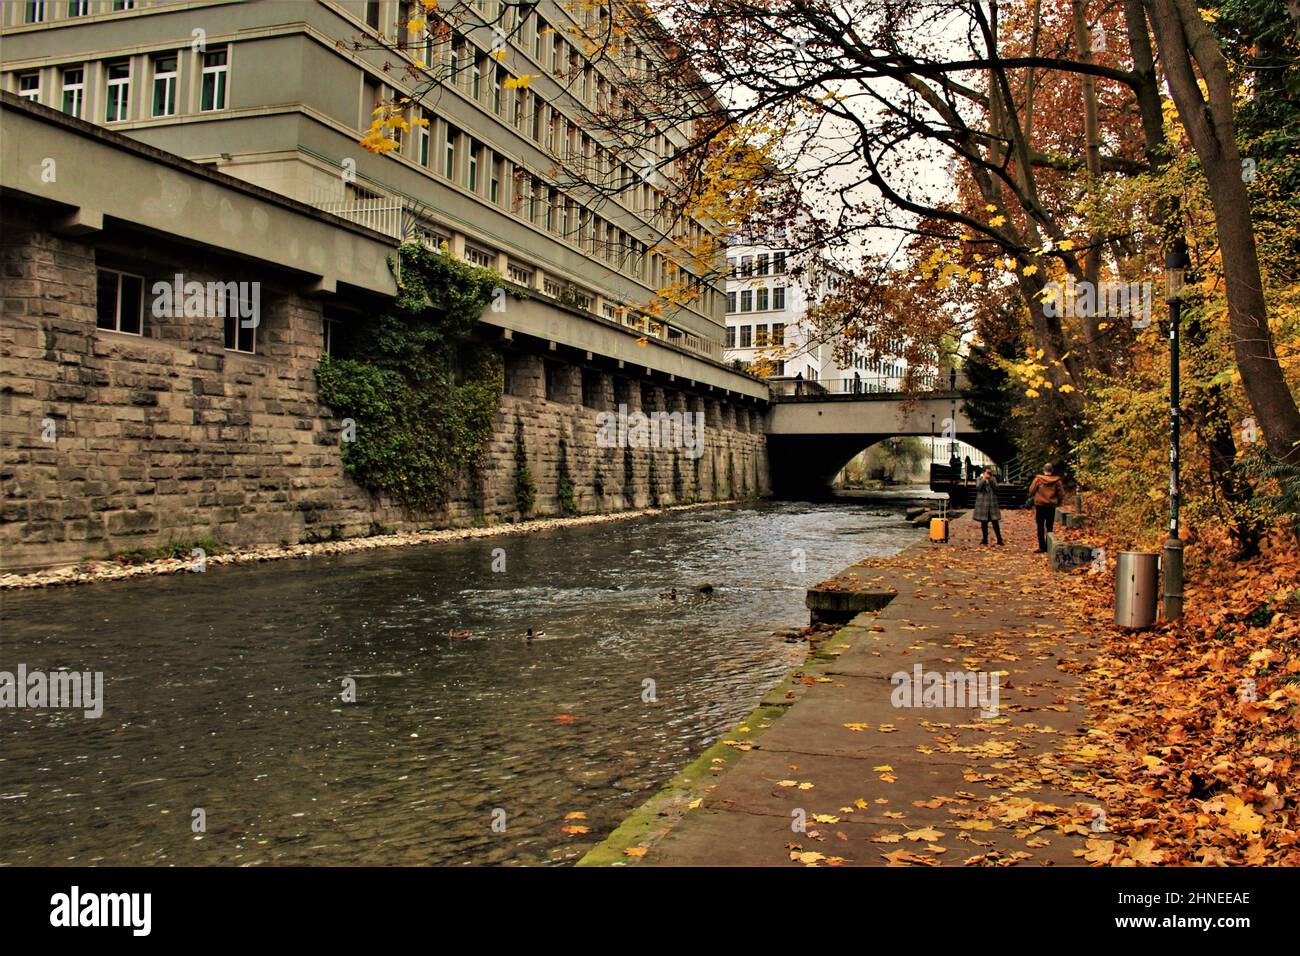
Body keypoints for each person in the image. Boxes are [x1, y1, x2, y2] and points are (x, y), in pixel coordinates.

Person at [1028, 462, 1066, 552]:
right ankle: (1049, 546)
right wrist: (1058, 502)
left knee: (1040, 526)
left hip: (1040, 505)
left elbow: (1031, 490)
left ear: (1043, 470)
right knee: (1049, 526)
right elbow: (1061, 494)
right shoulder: (1057, 481)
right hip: (1051, 506)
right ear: (1052, 470)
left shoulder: (1038, 480)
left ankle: (1042, 547)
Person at [974, 467, 1003, 545]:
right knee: (983, 523)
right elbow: (978, 487)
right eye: (987, 473)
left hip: (992, 503)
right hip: (983, 504)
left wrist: (989, 480)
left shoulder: (993, 479)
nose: (988, 474)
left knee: (995, 522)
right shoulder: (979, 479)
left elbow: (996, 488)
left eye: (989, 473)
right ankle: (985, 539)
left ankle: (999, 539)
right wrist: (984, 480)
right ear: (983, 473)